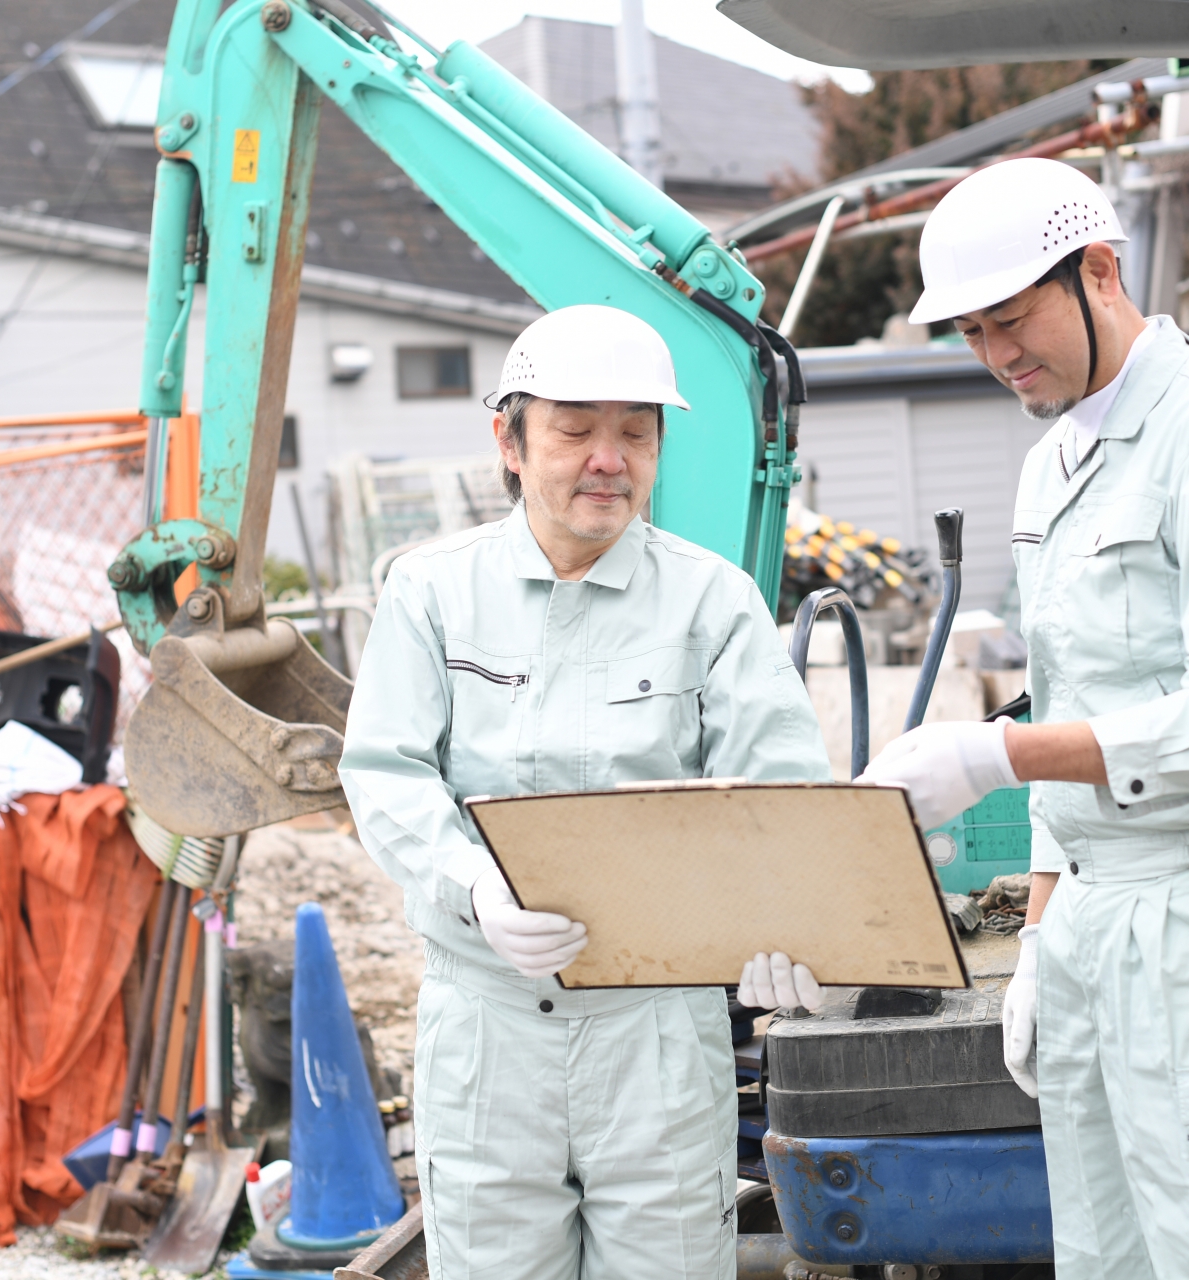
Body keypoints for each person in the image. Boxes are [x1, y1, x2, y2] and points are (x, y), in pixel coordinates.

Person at [861, 158, 1189, 1280]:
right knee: (1106, 1255)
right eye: (974, 334)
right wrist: (1037, 931)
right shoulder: (1055, 462)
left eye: (1012, 320)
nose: (998, 356)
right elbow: (1077, 695)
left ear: (1100, 270)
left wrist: (995, 752)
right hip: (1094, 926)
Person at [339, 304, 831, 1279]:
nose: (608, 457)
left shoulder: (712, 603)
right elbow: (387, 771)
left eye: (636, 431)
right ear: (509, 441)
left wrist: (785, 921)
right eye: (574, 429)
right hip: (487, 1030)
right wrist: (471, 882)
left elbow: (780, 797)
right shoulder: (431, 592)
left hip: (654, 1033)